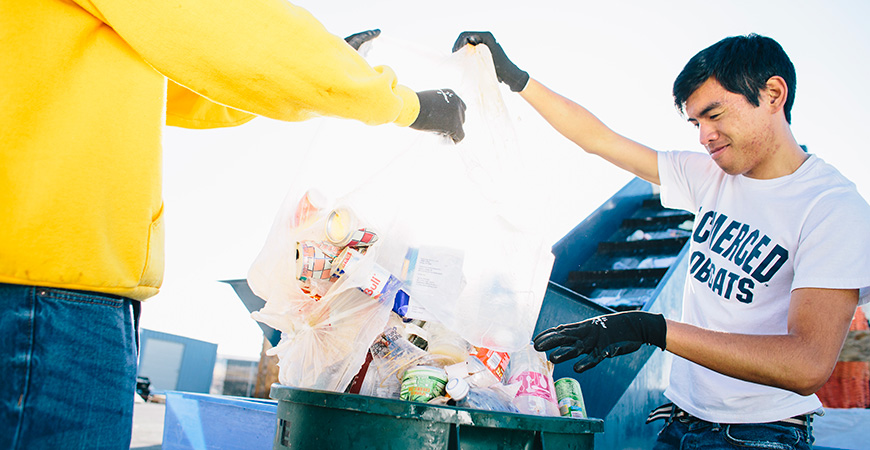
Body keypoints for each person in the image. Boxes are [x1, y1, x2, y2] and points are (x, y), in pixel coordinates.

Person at [0, 1, 466, 448]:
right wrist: (403, 104)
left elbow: (186, 74)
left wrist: (313, 81)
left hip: (39, 278)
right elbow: (221, 24)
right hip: (41, 289)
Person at [454, 31, 870, 449]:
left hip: (759, 433)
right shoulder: (710, 176)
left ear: (773, 94)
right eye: (696, 123)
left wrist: (649, 327)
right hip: (681, 419)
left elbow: (808, 364)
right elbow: (599, 139)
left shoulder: (832, 208)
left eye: (715, 114)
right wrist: (516, 78)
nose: (704, 136)